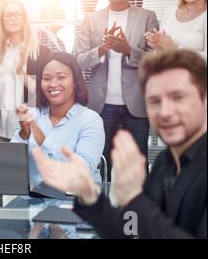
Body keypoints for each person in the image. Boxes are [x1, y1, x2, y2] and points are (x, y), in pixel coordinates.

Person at [33, 49, 207, 239]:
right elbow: (129, 232)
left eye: (178, 98)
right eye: (154, 101)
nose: (164, 112)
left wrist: (134, 198)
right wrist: (91, 197)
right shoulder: (164, 164)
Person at [75, 0, 159, 180]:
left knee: (138, 166)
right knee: (101, 164)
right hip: (101, 105)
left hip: (136, 104)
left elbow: (156, 61)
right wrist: (102, 48)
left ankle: (139, 211)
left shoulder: (147, 17)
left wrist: (128, 50)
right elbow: (78, 60)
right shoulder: (91, 20)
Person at [12, 52, 104, 187]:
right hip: (32, 200)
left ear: (75, 82)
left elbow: (83, 171)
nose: (53, 84)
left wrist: (44, 141)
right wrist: (22, 136)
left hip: (74, 200)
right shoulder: (32, 115)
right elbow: (11, 159)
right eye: (47, 78)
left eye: (61, 77)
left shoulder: (91, 120)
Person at [0, 0, 50, 141]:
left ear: (25, 18)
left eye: (17, 14)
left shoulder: (41, 52)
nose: (12, 18)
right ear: (2, 20)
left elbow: (43, 92)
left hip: (28, 130)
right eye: (7, 15)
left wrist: (20, 72)